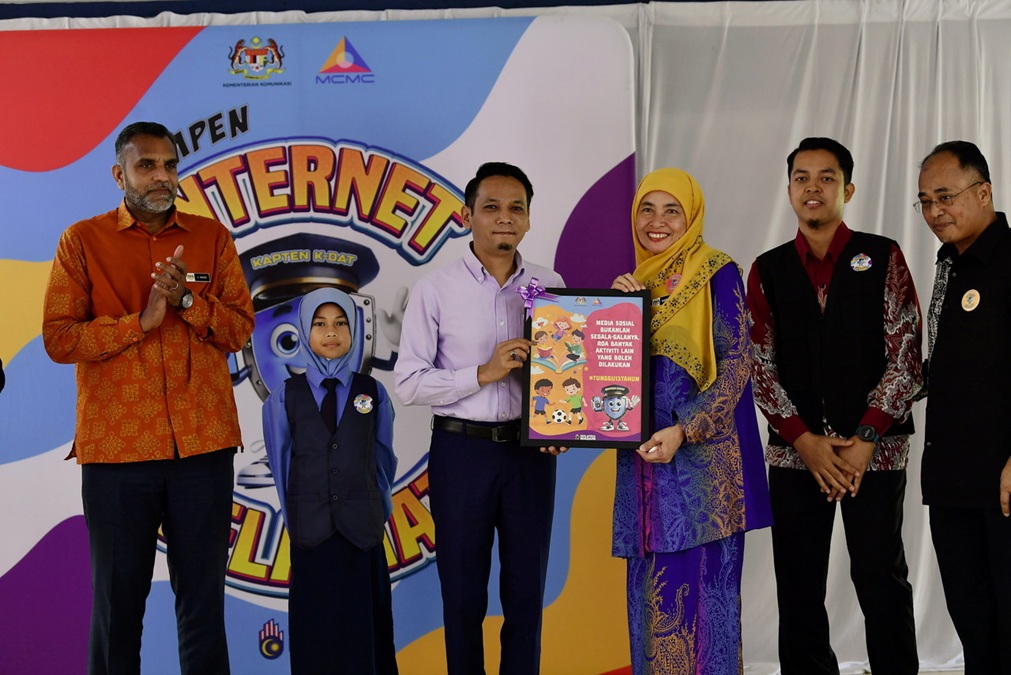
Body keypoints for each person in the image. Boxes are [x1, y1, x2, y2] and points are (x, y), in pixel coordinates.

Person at [41, 121, 254, 674]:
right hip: (117, 454)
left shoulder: (212, 238)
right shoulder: (81, 241)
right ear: (120, 174)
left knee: (204, 605)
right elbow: (60, 339)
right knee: (118, 609)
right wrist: (142, 322)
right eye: (146, 166)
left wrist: (187, 299)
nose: (161, 177)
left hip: (203, 449)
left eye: (168, 165)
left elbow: (239, 330)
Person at [747, 137, 922, 674]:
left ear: (846, 189)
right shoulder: (768, 269)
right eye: (802, 178)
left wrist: (865, 437)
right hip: (796, 455)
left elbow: (908, 353)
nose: (813, 188)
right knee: (798, 582)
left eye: (826, 178)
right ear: (789, 190)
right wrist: (805, 439)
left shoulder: (884, 255)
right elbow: (759, 367)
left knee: (879, 575)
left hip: (876, 451)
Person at [394, 162, 565, 675]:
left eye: (516, 208)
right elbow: (408, 383)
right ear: (468, 216)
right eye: (491, 207)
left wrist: (563, 424)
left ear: (530, 220)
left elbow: (567, 371)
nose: (504, 219)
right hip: (461, 453)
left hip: (530, 455)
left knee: (525, 595)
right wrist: (483, 372)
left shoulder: (550, 285)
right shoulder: (435, 290)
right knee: (463, 597)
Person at [610, 167, 773, 674]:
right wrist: (618, 310)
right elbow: (610, 380)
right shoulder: (635, 281)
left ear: (692, 216)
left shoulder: (717, 270)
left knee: (704, 613)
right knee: (650, 609)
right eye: (646, 209)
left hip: (702, 479)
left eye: (671, 210)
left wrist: (685, 428)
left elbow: (737, 365)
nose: (656, 222)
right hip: (644, 474)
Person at [262, 287, 398, 674]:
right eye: (320, 324)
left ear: (354, 329)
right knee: (316, 636)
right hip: (312, 536)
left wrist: (371, 510)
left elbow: (383, 459)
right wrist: (302, 519)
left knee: (364, 633)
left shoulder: (373, 393)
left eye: (340, 323)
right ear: (304, 331)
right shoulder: (283, 398)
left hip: (361, 536)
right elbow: (282, 462)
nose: (331, 332)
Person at [917, 140, 1011, 674]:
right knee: (974, 624)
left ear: (984, 192)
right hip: (953, 478)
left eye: (945, 197)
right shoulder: (948, 265)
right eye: (925, 201)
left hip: (1003, 482)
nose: (934, 212)